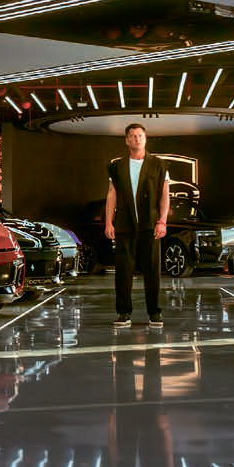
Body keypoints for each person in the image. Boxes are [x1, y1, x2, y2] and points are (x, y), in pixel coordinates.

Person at [105, 123, 170, 327]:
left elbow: (165, 194)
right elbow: (112, 194)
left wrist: (162, 221)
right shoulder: (116, 166)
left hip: (150, 224)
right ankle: (123, 312)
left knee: (152, 270)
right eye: (132, 136)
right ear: (127, 140)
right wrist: (109, 222)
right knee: (123, 271)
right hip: (124, 224)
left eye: (140, 135)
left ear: (145, 138)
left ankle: (154, 313)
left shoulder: (158, 164)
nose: (137, 139)